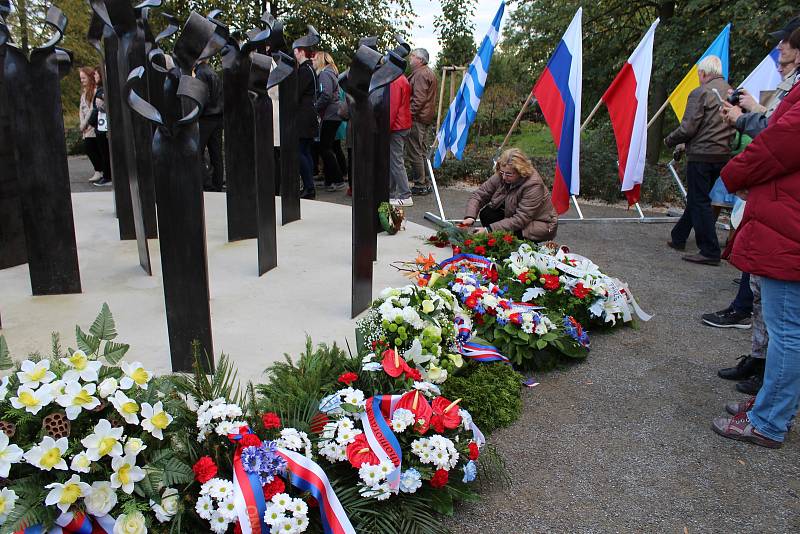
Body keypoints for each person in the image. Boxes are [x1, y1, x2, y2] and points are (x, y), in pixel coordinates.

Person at [704, 23, 800, 395]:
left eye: (786, 42)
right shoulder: (788, 85)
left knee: (785, 326)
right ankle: (760, 363)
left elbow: (779, 139)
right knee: (764, 298)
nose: (778, 49)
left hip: (783, 211)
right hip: (772, 203)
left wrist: (744, 120)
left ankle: (770, 408)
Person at [664, 55, 734, 265]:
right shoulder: (731, 92)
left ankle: (710, 250)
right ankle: (679, 236)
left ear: (703, 74)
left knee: (700, 200)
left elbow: (689, 127)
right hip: (722, 154)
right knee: (698, 197)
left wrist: (670, 140)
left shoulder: (700, 92)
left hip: (702, 154)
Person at [461, 148, 557, 241]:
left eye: (509, 174)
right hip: (513, 214)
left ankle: (520, 247)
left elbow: (521, 219)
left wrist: (489, 230)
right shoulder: (502, 174)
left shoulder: (533, 185)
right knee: (487, 213)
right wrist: (470, 217)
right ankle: (498, 243)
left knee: (512, 231)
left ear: (521, 172)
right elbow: (479, 195)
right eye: (502, 172)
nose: (503, 177)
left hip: (537, 224)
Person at [405, 48, 438, 196]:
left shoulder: (420, 74)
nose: (410, 58)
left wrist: (409, 115)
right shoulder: (427, 72)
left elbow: (418, 99)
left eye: (412, 56)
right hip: (425, 117)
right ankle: (425, 182)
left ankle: (420, 183)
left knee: (415, 151)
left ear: (420, 59)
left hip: (417, 119)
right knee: (422, 151)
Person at [293, 29, 321, 200]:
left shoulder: (304, 70)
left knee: (300, 152)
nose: (294, 54)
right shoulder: (309, 69)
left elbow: (296, 93)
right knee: (305, 151)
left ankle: (309, 187)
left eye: (296, 51)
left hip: (304, 115)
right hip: (309, 114)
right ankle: (310, 186)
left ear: (302, 52)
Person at [313, 51, 346, 192]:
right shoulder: (332, 73)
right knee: (330, 147)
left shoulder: (325, 74)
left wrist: (315, 107)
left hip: (330, 114)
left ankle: (337, 179)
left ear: (321, 60)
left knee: (325, 148)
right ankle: (330, 180)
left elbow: (325, 94)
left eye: (315, 59)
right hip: (334, 113)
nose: (313, 62)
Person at [195, 59, 224, 192]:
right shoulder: (213, 72)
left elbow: (203, 97)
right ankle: (217, 183)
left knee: (197, 151)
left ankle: (205, 182)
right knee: (216, 153)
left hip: (206, 117)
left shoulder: (201, 73)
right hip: (217, 117)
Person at [388, 74, 413, 207]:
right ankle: (390, 193)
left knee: (396, 160)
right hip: (403, 124)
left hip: (397, 126)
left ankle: (405, 194)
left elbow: (392, 107)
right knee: (394, 160)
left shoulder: (394, 81)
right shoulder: (401, 78)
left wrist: (386, 127)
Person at [78, 67, 103, 183]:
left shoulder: (94, 91)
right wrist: (82, 123)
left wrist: (86, 123)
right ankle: (98, 170)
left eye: (84, 78)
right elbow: (81, 109)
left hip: (92, 124)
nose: (82, 80)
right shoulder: (84, 93)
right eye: (81, 78)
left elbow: (92, 109)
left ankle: (99, 170)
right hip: (86, 125)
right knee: (90, 147)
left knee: (92, 147)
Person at [91, 68, 112, 187]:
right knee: (104, 151)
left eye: (96, 74)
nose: (95, 76)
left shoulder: (102, 90)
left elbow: (99, 106)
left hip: (103, 125)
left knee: (105, 152)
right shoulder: (101, 90)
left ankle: (107, 176)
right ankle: (107, 175)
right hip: (101, 125)